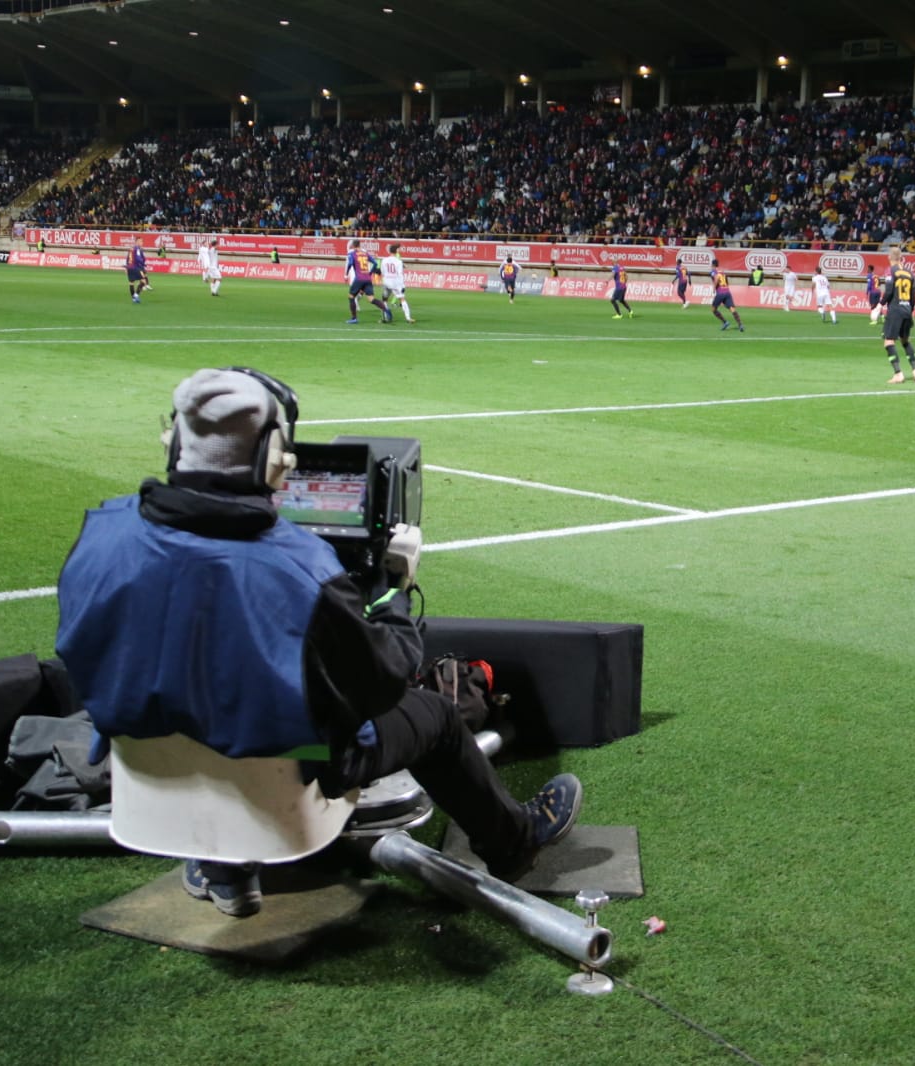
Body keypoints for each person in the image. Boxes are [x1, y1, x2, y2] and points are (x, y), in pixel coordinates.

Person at [55, 367, 584, 917]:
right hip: (294, 766)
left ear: (175, 444)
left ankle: (222, 863)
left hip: (142, 770)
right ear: (272, 456)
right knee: (437, 717)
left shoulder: (102, 533)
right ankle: (514, 843)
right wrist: (396, 595)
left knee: (205, 691)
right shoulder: (300, 569)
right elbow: (384, 683)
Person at [881, 247, 915, 384]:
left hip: (895, 310)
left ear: (889, 257)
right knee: (905, 341)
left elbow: (888, 291)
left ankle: (898, 374)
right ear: (901, 258)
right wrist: (911, 311)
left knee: (888, 341)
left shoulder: (890, 271)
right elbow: (913, 296)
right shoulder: (910, 273)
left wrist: (880, 305)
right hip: (907, 310)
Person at [344, 240, 391, 323]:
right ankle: (385, 309)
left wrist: (346, 274)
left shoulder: (352, 254)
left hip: (359, 278)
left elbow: (350, 263)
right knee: (371, 299)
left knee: (351, 297)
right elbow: (375, 263)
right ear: (359, 245)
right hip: (368, 279)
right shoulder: (365, 253)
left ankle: (354, 318)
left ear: (353, 246)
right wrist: (370, 273)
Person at [709, 258, 744, 333]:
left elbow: (716, 279)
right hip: (727, 291)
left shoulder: (713, 271)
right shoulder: (722, 271)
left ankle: (725, 322)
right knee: (732, 309)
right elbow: (727, 281)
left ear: (713, 264)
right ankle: (740, 324)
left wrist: (714, 288)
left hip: (720, 293)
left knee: (713, 309)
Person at [382, 244, 415, 323]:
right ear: (396, 251)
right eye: (399, 249)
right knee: (402, 299)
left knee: (384, 299)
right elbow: (400, 274)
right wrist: (402, 285)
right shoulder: (398, 261)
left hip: (386, 282)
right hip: (394, 283)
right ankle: (408, 318)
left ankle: (385, 317)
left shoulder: (384, 260)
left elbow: (382, 272)